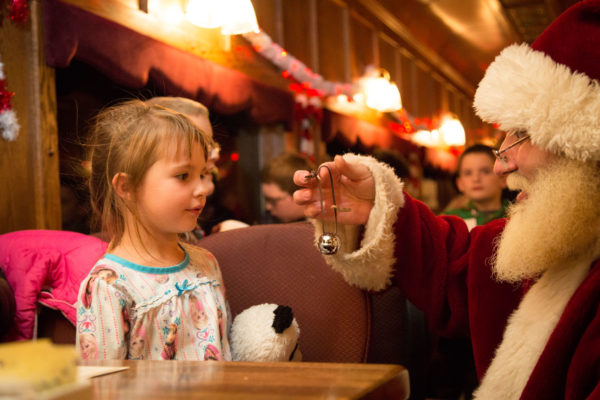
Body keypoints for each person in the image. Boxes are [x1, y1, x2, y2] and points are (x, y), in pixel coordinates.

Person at [293, 2, 600, 398]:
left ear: (584, 142)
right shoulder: (570, 237)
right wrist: (379, 210)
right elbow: (461, 264)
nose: (501, 166)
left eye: (521, 132)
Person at [76, 99, 232, 361]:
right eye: (183, 176)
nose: (202, 189)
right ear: (126, 187)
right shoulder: (109, 286)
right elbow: (103, 386)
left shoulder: (206, 263)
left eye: (203, 174)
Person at [444, 144, 509, 231]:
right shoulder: (449, 222)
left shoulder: (516, 216)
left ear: (503, 179)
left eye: (485, 171)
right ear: (460, 184)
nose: (475, 179)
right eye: (468, 173)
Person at [260, 151, 315, 223]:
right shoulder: (268, 220)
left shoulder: (323, 227)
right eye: (266, 199)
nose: (268, 207)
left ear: (301, 194)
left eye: (273, 201)